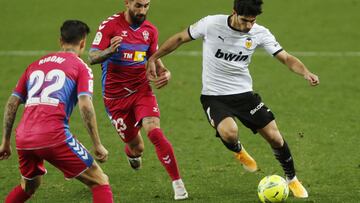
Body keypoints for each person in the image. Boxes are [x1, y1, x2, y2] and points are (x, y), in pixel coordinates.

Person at [147, 0, 320, 199]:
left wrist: (306, 72)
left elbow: (286, 58)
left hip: (244, 95)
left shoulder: (260, 32)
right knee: (229, 133)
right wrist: (154, 57)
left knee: (275, 137)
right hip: (214, 96)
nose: (248, 26)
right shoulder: (211, 24)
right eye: (245, 20)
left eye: (252, 21)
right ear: (234, 12)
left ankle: (292, 179)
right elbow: (179, 38)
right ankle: (238, 151)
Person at [0, 20, 114, 203]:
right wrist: (97, 143)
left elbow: (12, 103)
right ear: (83, 42)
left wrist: (5, 141)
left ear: (60, 40)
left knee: (29, 186)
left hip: (23, 138)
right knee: (100, 181)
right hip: (53, 135)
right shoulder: (80, 66)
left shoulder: (34, 65)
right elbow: (85, 105)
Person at [88, 0, 188, 200]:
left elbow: (154, 57)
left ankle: (178, 185)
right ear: (127, 3)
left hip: (141, 90)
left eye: (146, 5)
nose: (143, 10)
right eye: (138, 5)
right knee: (137, 147)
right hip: (115, 98)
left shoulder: (150, 30)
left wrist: (165, 72)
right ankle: (133, 155)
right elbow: (92, 56)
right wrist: (109, 51)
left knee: (155, 133)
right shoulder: (110, 25)